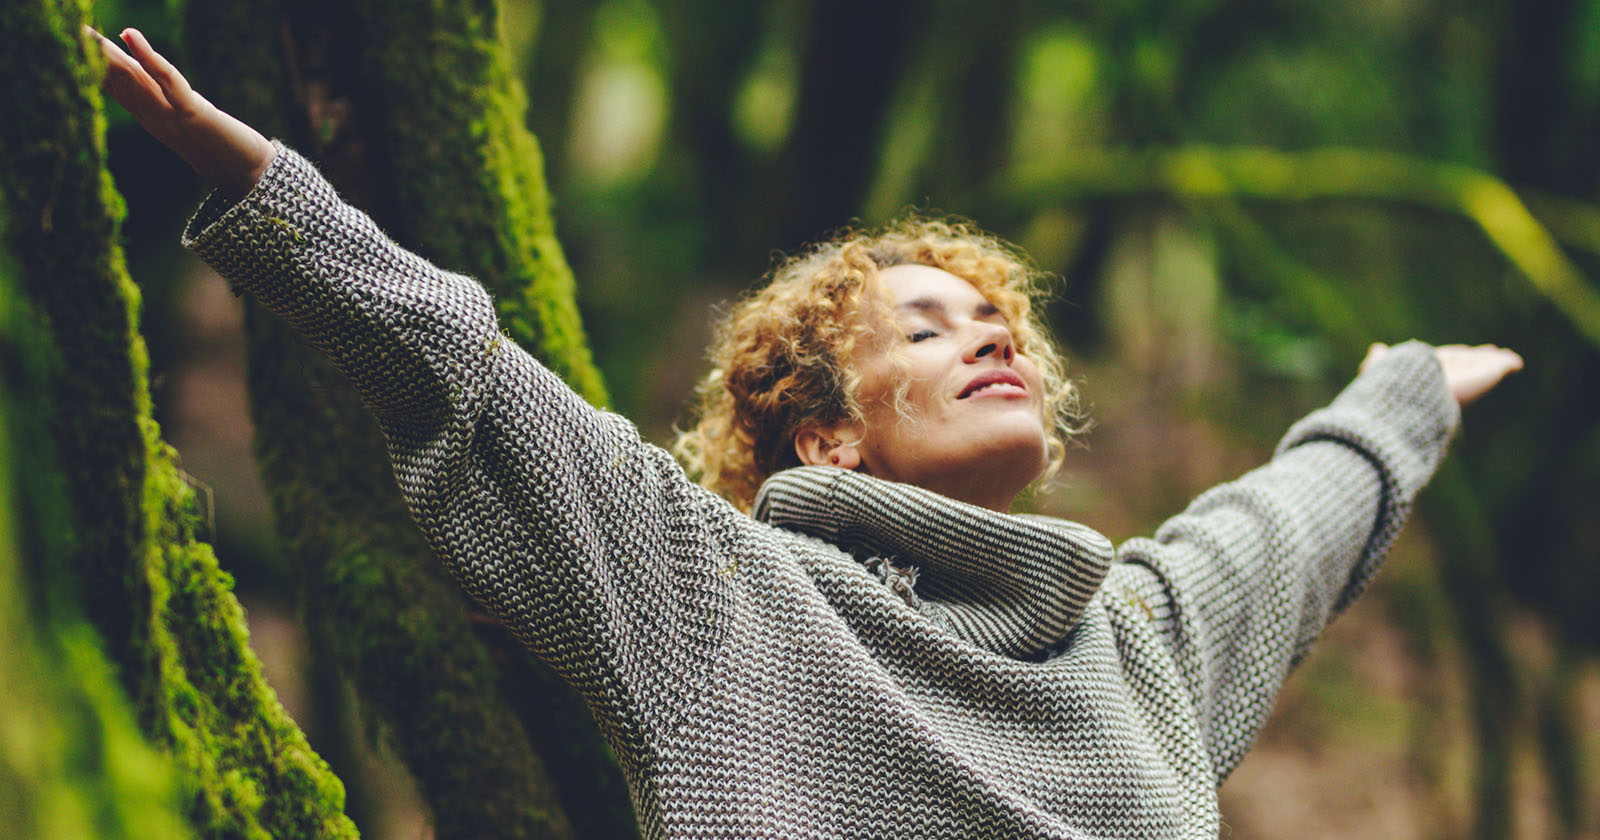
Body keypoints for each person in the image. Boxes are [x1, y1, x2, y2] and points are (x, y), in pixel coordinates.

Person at [92, 26, 1523, 839]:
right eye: (926, 324)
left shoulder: (1136, 642)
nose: (991, 335)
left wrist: (1401, 398)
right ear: (824, 438)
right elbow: (481, 385)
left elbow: (1275, 526)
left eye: (999, 324)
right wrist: (277, 194)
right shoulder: (725, 601)